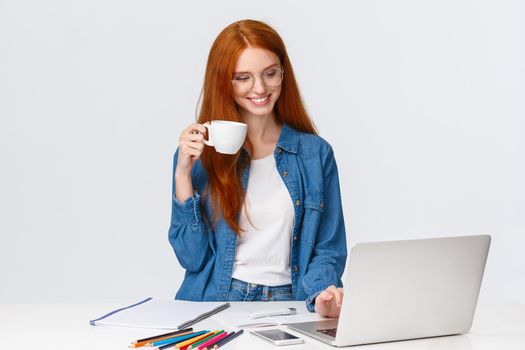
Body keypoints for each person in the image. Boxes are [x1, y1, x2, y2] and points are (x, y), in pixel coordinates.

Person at [169, 19, 347, 317]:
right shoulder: (199, 155)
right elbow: (192, 258)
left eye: (270, 74)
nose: (260, 88)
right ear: (223, 81)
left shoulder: (316, 154)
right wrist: (183, 175)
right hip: (219, 300)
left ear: (283, 74)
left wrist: (323, 294)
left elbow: (328, 248)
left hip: (292, 301)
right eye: (243, 78)